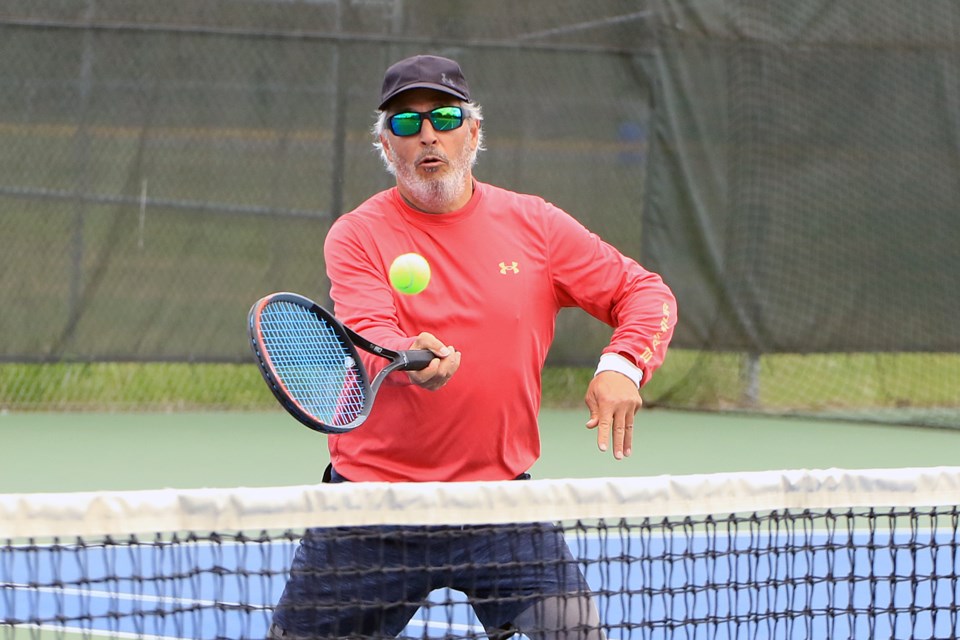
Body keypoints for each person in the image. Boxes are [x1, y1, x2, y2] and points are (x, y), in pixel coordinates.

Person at [268, 54, 677, 639]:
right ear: (387, 146)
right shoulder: (357, 234)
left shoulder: (535, 225)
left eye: (444, 117)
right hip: (371, 510)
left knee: (574, 634)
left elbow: (644, 291)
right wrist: (408, 356)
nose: (427, 134)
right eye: (405, 124)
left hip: (499, 506)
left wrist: (624, 365)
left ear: (473, 131)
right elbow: (368, 333)